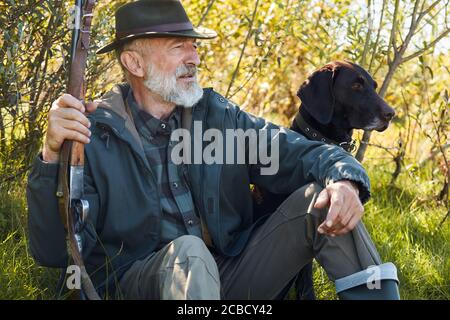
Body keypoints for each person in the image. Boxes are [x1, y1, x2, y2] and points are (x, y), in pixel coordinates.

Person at [26, 0, 400, 300]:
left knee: (323, 197)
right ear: (134, 62)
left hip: (231, 277)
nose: (194, 56)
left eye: (194, 46)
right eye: (178, 47)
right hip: (137, 284)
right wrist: (51, 155)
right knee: (189, 253)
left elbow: (299, 152)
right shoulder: (91, 134)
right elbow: (54, 252)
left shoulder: (219, 116)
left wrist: (345, 181)